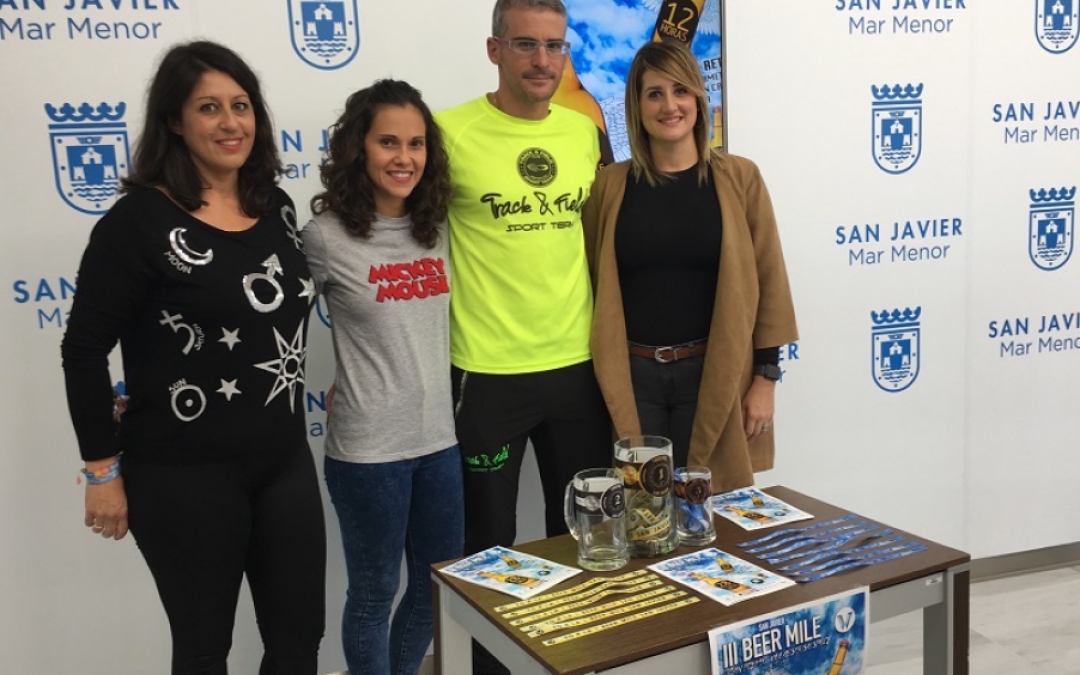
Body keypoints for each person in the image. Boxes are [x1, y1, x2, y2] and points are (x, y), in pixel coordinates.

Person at [60, 41, 325, 674]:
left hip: (284, 463)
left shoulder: (275, 206)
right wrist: (101, 470)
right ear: (174, 121)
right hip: (182, 476)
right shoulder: (136, 223)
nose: (231, 122)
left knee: (299, 642)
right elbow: (84, 350)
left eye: (241, 105)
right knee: (205, 650)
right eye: (209, 107)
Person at [435, 0, 612, 553]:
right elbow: (398, 235)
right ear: (495, 50)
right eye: (526, 44)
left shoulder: (584, 131)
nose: (542, 60)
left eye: (554, 46)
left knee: (584, 537)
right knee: (487, 544)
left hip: (577, 366)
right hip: (487, 371)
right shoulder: (447, 132)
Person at [583, 41, 798, 491]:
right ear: (636, 107)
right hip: (633, 377)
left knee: (710, 507)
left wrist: (766, 378)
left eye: (680, 90)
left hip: (715, 373)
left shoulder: (740, 178)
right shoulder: (609, 186)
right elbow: (589, 282)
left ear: (699, 100)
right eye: (654, 93)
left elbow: (769, 280)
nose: (669, 105)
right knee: (642, 509)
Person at [303, 79, 462, 675]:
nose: (404, 157)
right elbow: (272, 324)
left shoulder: (437, 228)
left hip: (439, 442)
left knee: (435, 585)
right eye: (388, 142)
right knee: (374, 595)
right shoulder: (325, 237)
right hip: (369, 453)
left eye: (416, 144)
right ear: (359, 148)